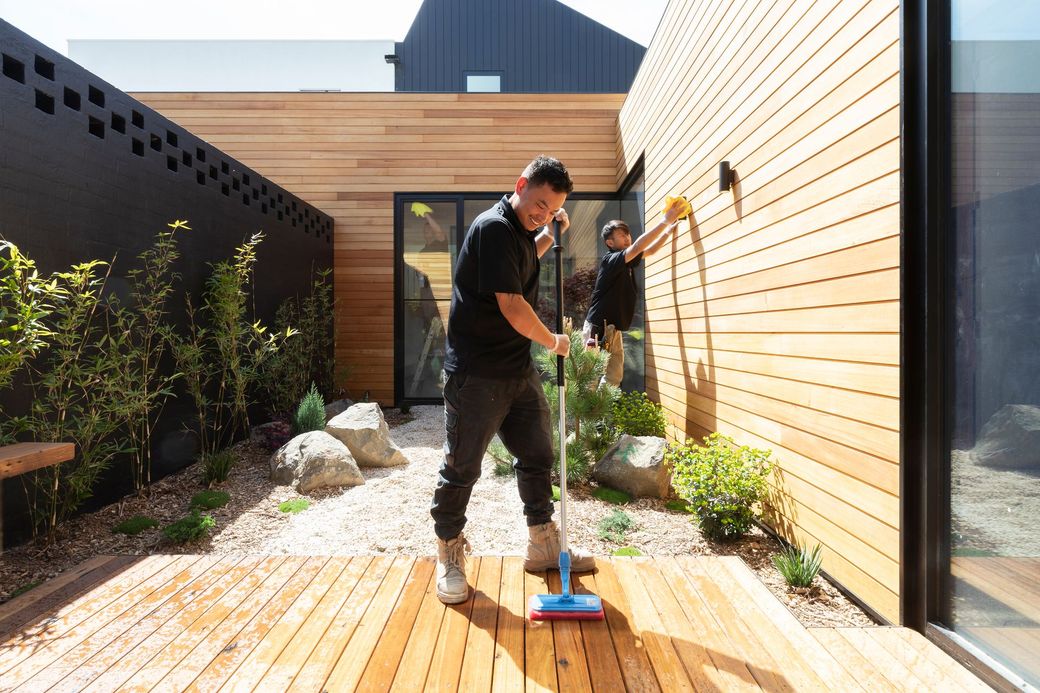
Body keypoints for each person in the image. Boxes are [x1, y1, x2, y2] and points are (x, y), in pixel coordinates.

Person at [431, 155, 595, 605]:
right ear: (521, 185)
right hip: (477, 373)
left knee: (538, 454)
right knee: (462, 467)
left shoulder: (520, 232)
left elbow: (525, 256)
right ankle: (448, 554)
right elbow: (511, 304)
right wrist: (553, 342)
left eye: (551, 208)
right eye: (539, 203)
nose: (542, 213)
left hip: (516, 369)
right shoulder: (493, 227)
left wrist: (547, 233)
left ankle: (542, 544)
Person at [583, 196, 690, 387]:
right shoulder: (611, 260)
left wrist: (667, 231)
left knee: (614, 377)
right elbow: (639, 246)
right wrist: (665, 219)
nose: (627, 238)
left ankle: (599, 417)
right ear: (610, 243)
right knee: (589, 378)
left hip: (613, 330)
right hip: (597, 328)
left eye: (628, 235)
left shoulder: (628, 261)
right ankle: (583, 417)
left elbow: (649, 250)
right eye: (622, 236)